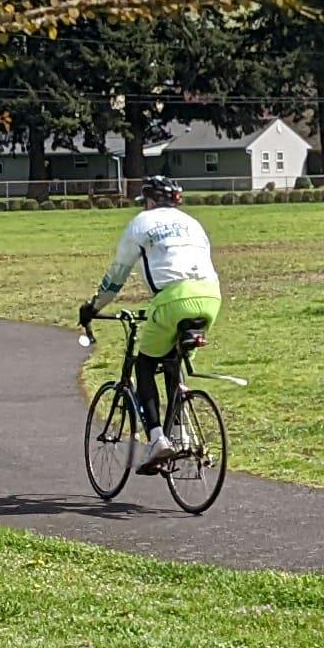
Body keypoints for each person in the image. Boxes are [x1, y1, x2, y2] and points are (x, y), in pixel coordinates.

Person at [83, 175, 220, 469]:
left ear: (150, 200)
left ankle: (157, 439)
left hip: (173, 300)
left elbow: (116, 276)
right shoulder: (193, 224)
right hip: (211, 297)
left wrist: (92, 307)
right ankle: (180, 433)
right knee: (174, 362)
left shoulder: (142, 223)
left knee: (144, 365)